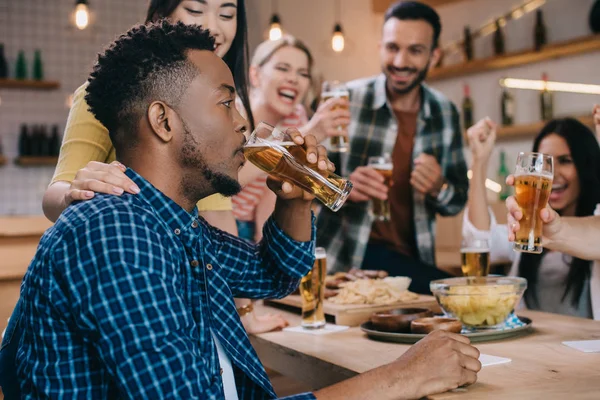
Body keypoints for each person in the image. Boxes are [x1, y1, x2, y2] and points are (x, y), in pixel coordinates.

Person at [4, 22, 482, 400]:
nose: (243, 123)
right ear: (163, 120)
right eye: (227, 103)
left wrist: (294, 201)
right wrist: (398, 379)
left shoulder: (172, 223)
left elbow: (275, 274)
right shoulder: (117, 236)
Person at [40, 0, 286, 334]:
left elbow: (218, 219)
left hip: (187, 295)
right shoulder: (118, 97)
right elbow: (54, 195)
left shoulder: (221, 115)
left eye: (227, 14)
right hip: (135, 287)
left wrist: (242, 310)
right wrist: (75, 191)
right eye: (196, 11)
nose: (214, 26)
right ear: (161, 18)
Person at [316, 1, 468, 294]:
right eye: (392, 47)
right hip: (345, 262)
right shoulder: (346, 100)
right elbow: (305, 180)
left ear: (434, 56)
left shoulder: (445, 113)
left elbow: (456, 201)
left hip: (410, 263)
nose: (400, 61)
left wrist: (440, 186)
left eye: (415, 50)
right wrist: (342, 189)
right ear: (380, 47)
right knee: (454, 294)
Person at [464, 116, 600, 319]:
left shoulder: (591, 230)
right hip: (533, 346)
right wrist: (479, 159)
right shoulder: (527, 230)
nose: (553, 174)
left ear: (586, 166)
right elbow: (479, 238)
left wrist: (557, 230)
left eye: (565, 161)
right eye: (545, 162)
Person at [233, 36, 350, 241]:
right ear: (255, 75)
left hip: (259, 222)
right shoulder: (234, 111)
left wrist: (264, 240)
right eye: (283, 68)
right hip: (221, 221)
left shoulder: (295, 116)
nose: (294, 79)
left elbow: (278, 183)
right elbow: (231, 179)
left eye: (303, 73)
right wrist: (311, 131)